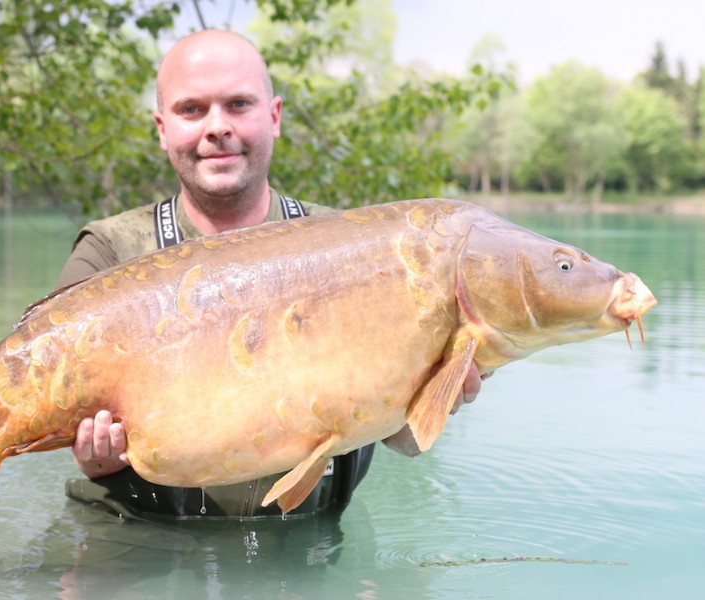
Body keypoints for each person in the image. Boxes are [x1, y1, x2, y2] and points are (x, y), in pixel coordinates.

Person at [56, 29, 485, 519]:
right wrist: (94, 457)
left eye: (238, 104)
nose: (217, 127)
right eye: (191, 110)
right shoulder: (109, 252)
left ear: (275, 116)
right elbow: (49, 420)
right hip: (136, 548)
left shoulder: (365, 252)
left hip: (309, 552)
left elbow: (403, 440)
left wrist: (442, 390)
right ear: (161, 127)